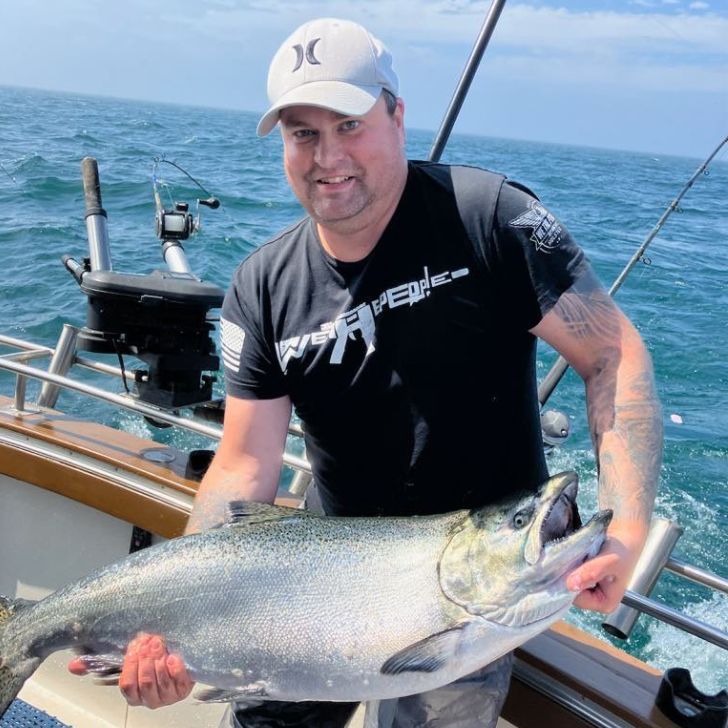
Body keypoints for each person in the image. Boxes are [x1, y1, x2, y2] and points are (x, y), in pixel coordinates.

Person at [69, 17, 663, 728]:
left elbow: (613, 356)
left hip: (475, 581)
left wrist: (625, 531)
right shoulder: (261, 286)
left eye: (349, 125)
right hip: (318, 569)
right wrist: (172, 631)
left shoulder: (488, 217)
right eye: (303, 133)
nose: (328, 157)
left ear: (397, 116)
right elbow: (242, 465)